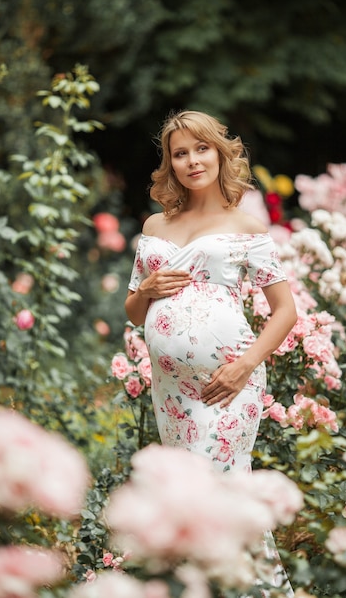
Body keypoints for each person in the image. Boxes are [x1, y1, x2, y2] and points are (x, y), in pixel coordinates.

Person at [125, 110, 297, 473]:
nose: (192, 161)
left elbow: (286, 311)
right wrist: (146, 289)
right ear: (170, 163)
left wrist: (245, 367)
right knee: (188, 496)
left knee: (222, 491)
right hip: (171, 391)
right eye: (180, 153)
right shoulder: (155, 225)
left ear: (219, 152)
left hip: (229, 384)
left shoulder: (246, 227)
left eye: (201, 148)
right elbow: (135, 313)